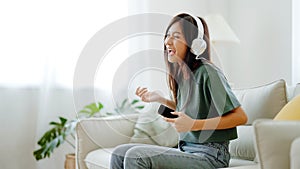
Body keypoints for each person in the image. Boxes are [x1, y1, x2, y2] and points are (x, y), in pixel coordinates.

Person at [110, 13, 248, 169]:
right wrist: (160, 99)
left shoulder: (208, 73)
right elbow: (189, 110)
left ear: (194, 44)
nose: (167, 41)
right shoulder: (184, 76)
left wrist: (194, 125)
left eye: (175, 36)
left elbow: (240, 117)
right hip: (186, 149)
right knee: (119, 152)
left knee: (137, 156)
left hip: (211, 154)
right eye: (167, 35)